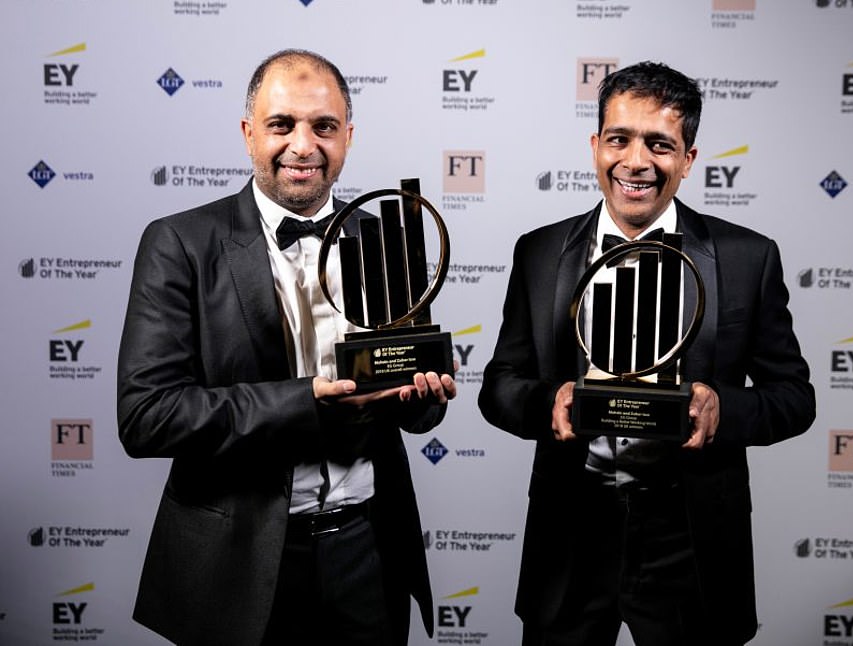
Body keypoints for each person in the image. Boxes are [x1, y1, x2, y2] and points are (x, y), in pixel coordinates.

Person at [117, 49, 456, 646]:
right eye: (282, 125)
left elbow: (418, 404)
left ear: (347, 137)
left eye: (324, 126)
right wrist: (306, 404)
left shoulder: (386, 237)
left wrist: (422, 397)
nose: (303, 145)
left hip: (368, 551)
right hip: (239, 563)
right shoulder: (180, 242)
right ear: (250, 135)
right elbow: (147, 417)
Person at [478, 61, 815, 646]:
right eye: (619, 139)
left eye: (659, 144)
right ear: (595, 146)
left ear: (687, 159)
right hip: (571, 533)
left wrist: (722, 410)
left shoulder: (747, 258)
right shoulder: (538, 253)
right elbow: (499, 385)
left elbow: (795, 399)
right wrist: (549, 402)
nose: (635, 162)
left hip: (689, 536)